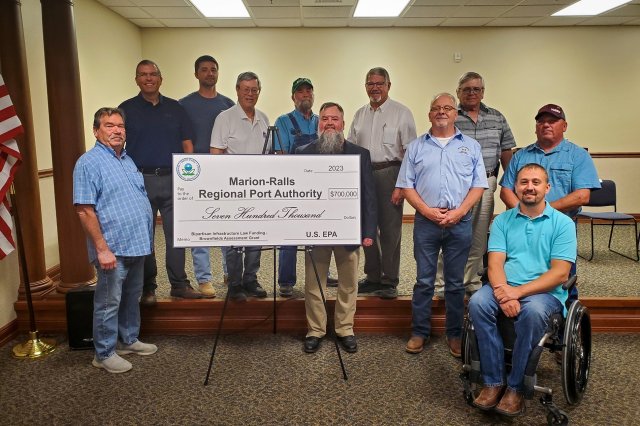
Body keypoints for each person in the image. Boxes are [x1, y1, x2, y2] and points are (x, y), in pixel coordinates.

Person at [468, 163, 576, 416]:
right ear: (515, 187)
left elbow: (560, 273)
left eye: (536, 182)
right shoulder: (502, 221)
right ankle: (494, 382)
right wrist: (504, 291)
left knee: (534, 313)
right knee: (477, 303)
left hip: (544, 294)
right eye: (524, 182)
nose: (529, 187)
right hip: (504, 286)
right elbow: (494, 264)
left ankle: (516, 387)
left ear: (547, 188)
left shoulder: (563, 224)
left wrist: (516, 293)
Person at [396, 93, 487, 358]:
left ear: (455, 113)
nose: (441, 112)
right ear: (430, 114)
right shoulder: (416, 147)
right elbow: (406, 186)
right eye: (436, 108)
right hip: (426, 222)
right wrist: (427, 212)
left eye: (447, 107)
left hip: (460, 222)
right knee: (424, 281)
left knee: (455, 283)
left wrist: (459, 212)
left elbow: (478, 185)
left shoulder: (470, 146)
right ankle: (419, 332)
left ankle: (455, 334)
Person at [73, 107, 157, 374]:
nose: (117, 130)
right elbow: (84, 210)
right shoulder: (89, 162)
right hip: (112, 249)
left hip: (136, 244)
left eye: (120, 126)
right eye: (109, 125)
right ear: (96, 130)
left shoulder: (127, 160)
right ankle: (104, 353)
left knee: (131, 297)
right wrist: (102, 249)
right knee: (109, 302)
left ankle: (128, 340)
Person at [119, 60, 202, 305]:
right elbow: (117, 147)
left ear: (160, 78)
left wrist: (189, 180)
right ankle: (148, 288)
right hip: (139, 180)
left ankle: (179, 284)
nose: (148, 78)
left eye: (153, 74)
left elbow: (188, 145)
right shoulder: (125, 110)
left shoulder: (176, 108)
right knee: (145, 238)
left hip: (173, 179)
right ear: (136, 80)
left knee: (177, 235)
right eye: (143, 75)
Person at [298, 102, 377, 354]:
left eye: (334, 119)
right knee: (313, 283)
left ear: (343, 124)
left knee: (349, 282)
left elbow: (369, 196)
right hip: (315, 229)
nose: (329, 123)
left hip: (349, 230)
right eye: (324, 119)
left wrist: (367, 231)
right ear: (318, 123)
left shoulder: (360, 153)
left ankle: (345, 328)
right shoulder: (303, 152)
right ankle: (316, 330)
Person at [434, 72, 516, 297]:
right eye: (467, 89)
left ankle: (469, 282)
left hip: (487, 183)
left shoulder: (497, 118)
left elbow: (506, 150)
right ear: (458, 92)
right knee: (450, 235)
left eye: (477, 89)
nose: (472, 93)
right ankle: (441, 285)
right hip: (456, 184)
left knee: (478, 238)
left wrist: (510, 183)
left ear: (483, 92)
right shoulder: (451, 116)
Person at [349, 67, 417, 299]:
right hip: (364, 174)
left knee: (390, 230)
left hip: (391, 173)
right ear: (365, 86)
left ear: (389, 85)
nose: (375, 88)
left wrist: (402, 185)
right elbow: (351, 147)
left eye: (379, 83)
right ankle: (372, 276)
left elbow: (410, 153)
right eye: (370, 83)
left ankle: (389, 280)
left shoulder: (401, 113)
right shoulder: (359, 114)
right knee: (367, 227)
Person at [210, 71, 270, 301]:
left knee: (256, 238)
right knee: (234, 239)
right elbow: (215, 155)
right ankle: (234, 283)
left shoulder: (264, 118)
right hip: (232, 191)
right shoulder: (224, 118)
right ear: (237, 90)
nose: (250, 94)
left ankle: (250, 279)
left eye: (254, 90)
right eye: (246, 89)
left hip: (259, 191)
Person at [179, 55, 235, 298]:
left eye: (214, 69)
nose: (210, 73)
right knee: (199, 227)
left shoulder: (228, 104)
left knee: (226, 224)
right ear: (196, 74)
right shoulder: (184, 105)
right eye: (204, 70)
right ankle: (204, 279)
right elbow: (183, 138)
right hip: (196, 171)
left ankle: (229, 271)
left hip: (222, 171)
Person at [500, 104, 600, 218]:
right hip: (522, 221)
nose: (546, 125)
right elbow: (506, 191)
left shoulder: (579, 155)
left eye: (552, 121)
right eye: (541, 121)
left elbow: (582, 196)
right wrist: (524, 212)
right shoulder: (520, 156)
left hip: (561, 223)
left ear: (564, 126)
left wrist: (543, 211)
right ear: (535, 128)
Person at [274, 78, 319, 297]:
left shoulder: (322, 121)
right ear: (293, 97)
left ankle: (321, 273)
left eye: (308, 91)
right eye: (300, 92)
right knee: (289, 235)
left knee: (319, 233)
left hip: (318, 186)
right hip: (292, 185)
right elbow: (281, 155)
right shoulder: (283, 122)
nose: (305, 95)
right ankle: (286, 281)